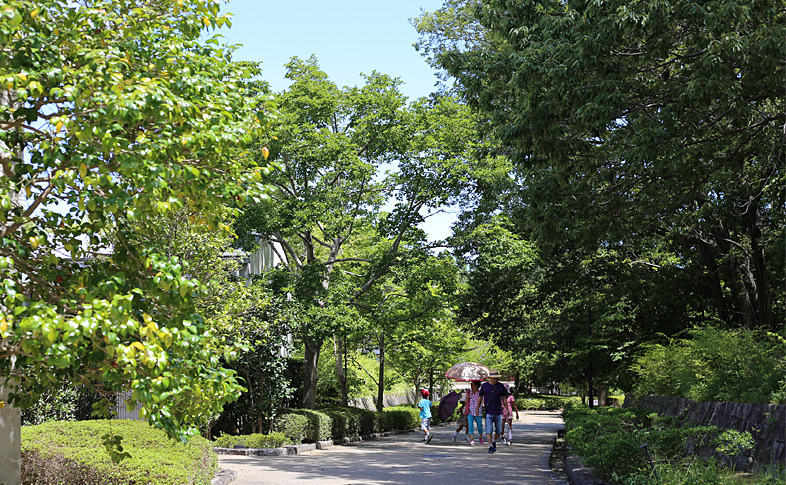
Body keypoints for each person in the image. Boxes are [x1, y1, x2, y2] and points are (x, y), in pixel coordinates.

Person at [476, 370, 510, 453]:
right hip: (488, 412)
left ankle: (494, 441)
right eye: (494, 378)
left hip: (498, 412)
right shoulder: (484, 386)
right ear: (490, 378)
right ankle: (490, 446)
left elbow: (504, 398)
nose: (495, 380)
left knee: (499, 431)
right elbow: (480, 397)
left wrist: (507, 408)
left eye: (496, 379)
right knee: (489, 430)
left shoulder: (500, 386)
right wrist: (477, 409)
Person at [465, 380, 484, 445]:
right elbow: (465, 402)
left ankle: (481, 437)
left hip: (478, 412)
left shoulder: (480, 393)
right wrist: (467, 396)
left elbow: (483, 402)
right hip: (470, 412)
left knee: (479, 426)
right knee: (470, 425)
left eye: (472, 384)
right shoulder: (469, 392)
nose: (471, 385)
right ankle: (472, 439)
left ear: (476, 386)